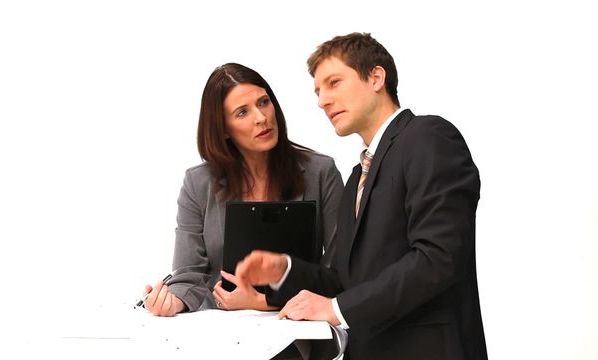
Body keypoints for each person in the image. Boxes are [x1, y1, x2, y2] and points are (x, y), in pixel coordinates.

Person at [235, 33, 488, 359]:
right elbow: (345, 279)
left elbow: (438, 258)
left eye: (334, 82)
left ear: (376, 77)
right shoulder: (357, 176)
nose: (322, 100)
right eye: (318, 91)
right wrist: (284, 270)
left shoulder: (429, 137)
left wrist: (338, 309)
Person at [142, 63, 344, 318]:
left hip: (300, 327)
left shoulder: (321, 172)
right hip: (225, 332)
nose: (261, 117)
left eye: (263, 102)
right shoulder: (197, 183)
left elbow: (340, 271)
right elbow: (189, 275)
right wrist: (172, 301)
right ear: (223, 129)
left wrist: (263, 301)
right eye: (242, 113)